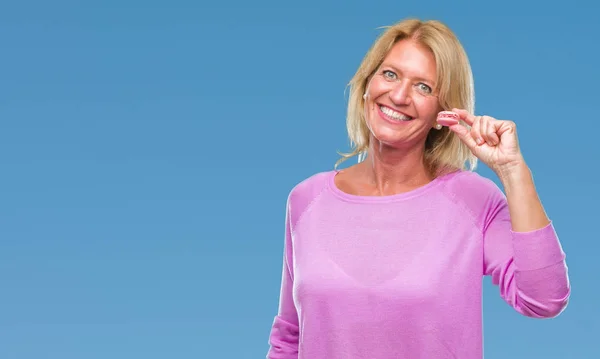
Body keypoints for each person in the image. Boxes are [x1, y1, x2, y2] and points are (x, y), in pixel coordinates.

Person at [266, 18, 570, 359]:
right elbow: (289, 338)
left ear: (444, 112)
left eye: (423, 87)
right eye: (390, 74)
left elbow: (544, 299)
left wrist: (513, 171)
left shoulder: (474, 201)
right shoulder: (306, 200)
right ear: (367, 82)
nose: (398, 96)